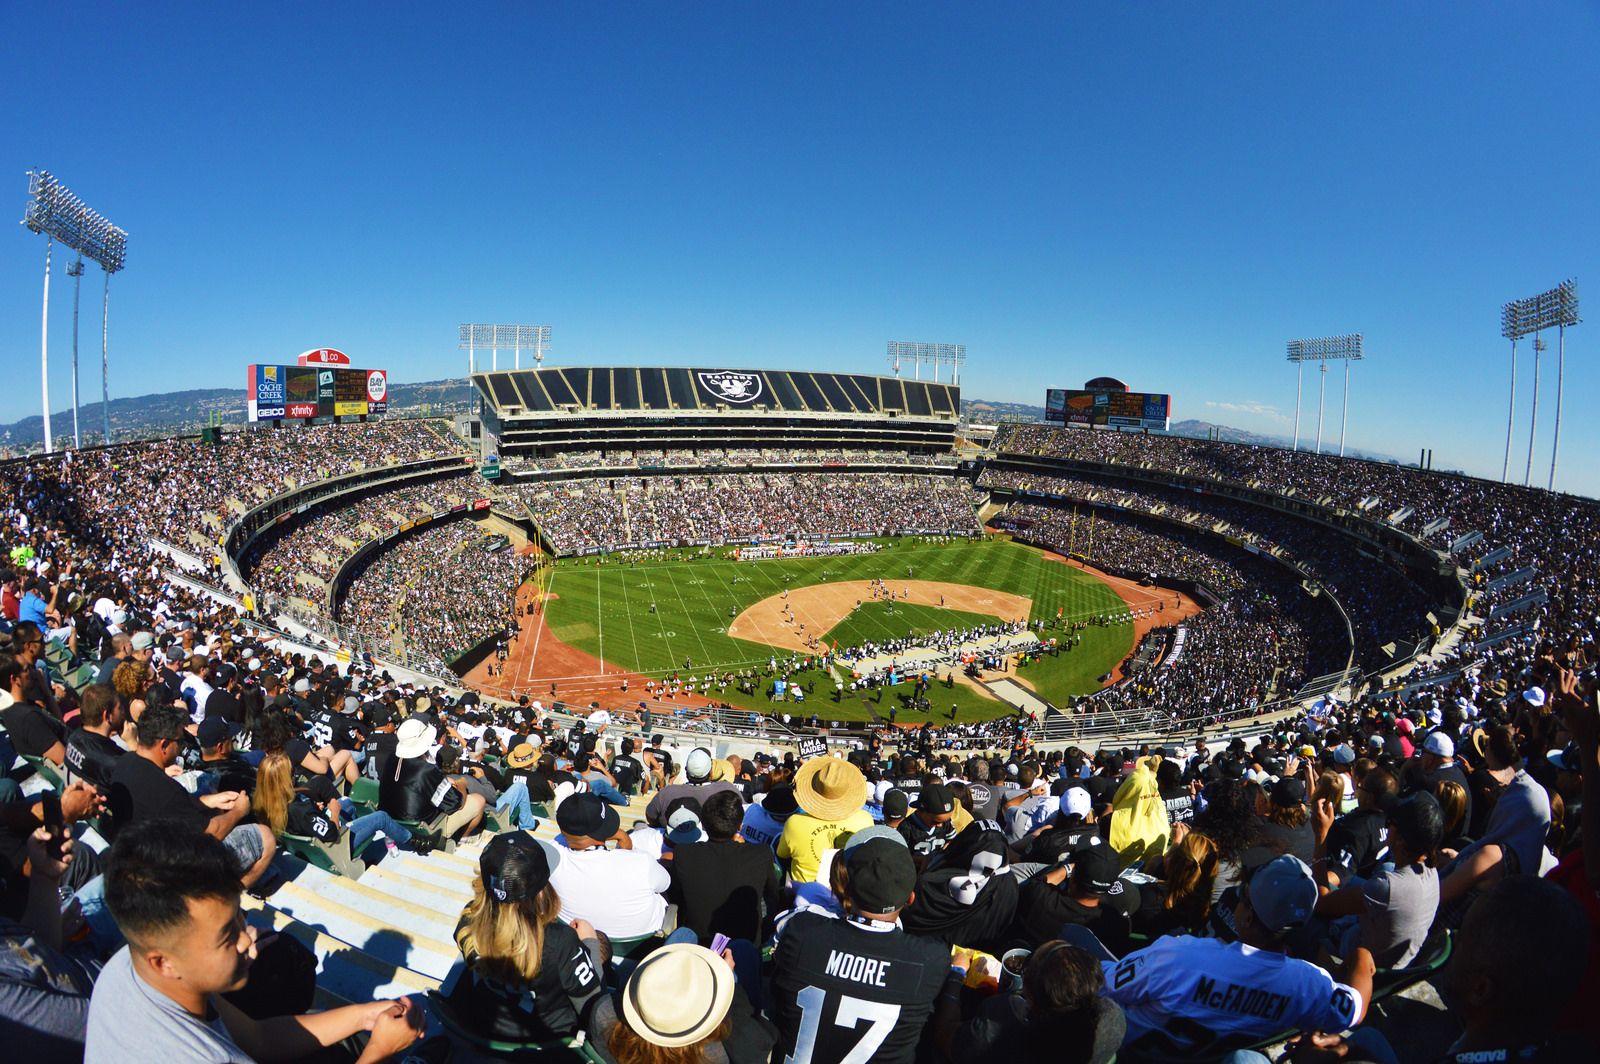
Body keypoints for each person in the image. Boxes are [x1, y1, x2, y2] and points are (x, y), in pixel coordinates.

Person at [85, 820, 425, 1063]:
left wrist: (363, 1015)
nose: (250, 939)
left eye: (239, 916)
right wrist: (379, 1053)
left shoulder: (132, 964)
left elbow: (258, 1039)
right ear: (163, 962)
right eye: (227, 936)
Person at [1099, 855, 1372, 1058]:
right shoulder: (1307, 984)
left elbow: (1105, 985)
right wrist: (1362, 956)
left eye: (1243, 894)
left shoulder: (1181, 955)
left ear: (1249, 915)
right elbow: (1354, 1012)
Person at [771, 834, 957, 1064]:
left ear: (844, 888)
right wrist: (957, 975)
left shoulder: (802, 932)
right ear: (910, 899)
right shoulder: (931, 959)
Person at [440, 831, 606, 1044]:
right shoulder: (560, 941)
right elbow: (593, 1007)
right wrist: (590, 943)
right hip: (547, 1042)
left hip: (487, 1027)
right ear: (540, 893)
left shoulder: (468, 920)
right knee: (603, 951)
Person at [107, 704, 276, 889]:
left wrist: (207, 801)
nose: (180, 748)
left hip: (140, 860)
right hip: (169, 876)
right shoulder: (166, 790)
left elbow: (161, 808)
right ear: (164, 745)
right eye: (178, 742)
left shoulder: (125, 763)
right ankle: (226, 897)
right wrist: (238, 811)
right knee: (265, 837)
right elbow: (210, 835)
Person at [588, 942, 777, 1064]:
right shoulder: (718, 1053)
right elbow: (758, 1045)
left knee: (685, 933)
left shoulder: (603, 1016)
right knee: (743, 948)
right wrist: (729, 981)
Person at [1314, 791, 1442, 969]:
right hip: (1393, 952)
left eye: (1390, 823)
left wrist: (1321, 836)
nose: (1386, 825)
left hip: (1356, 961)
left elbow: (1321, 903)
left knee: (1304, 925)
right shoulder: (1432, 872)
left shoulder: (1387, 887)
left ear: (1401, 840)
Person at [949, 941, 1124, 1062]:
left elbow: (946, 1039)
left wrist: (956, 974)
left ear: (1030, 994)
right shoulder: (1112, 1021)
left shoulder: (999, 1024)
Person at [252, 752, 418, 861]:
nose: (295, 773)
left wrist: (314, 811)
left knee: (347, 803)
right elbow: (332, 834)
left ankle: (360, 838)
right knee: (381, 817)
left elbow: (306, 822)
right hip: (336, 848)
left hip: (312, 840)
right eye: (292, 772)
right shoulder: (299, 811)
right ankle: (413, 841)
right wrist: (334, 810)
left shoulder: (263, 803)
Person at [667, 790, 782, 946]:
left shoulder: (683, 853)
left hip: (697, 947)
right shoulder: (761, 854)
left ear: (704, 824)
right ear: (740, 825)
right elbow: (772, 899)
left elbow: (676, 898)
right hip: (744, 948)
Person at [550, 792, 671, 940]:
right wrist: (625, 839)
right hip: (645, 945)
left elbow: (562, 840)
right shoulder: (642, 863)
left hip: (577, 941)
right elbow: (665, 884)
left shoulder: (550, 859)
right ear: (603, 832)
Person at [1013, 836, 1138, 955]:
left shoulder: (1040, 897)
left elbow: (1037, 882)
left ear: (1073, 877)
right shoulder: (1117, 925)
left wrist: (1066, 869)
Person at [377, 718, 485, 841]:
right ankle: (463, 839)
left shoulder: (391, 758)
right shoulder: (427, 770)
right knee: (479, 799)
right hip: (422, 830)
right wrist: (462, 785)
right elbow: (456, 804)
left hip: (391, 822)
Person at [777, 757, 872, 886]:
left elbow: (782, 854)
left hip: (804, 895)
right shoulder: (865, 820)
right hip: (848, 894)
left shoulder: (794, 823)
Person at [644, 748, 740, 827]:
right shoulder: (727, 789)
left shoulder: (667, 792)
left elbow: (651, 817)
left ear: (686, 770)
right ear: (711, 773)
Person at [65, 682, 128, 792]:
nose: (123, 711)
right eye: (119, 708)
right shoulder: (112, 762)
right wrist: (132, 744)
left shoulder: (73, 738)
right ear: (107, 715)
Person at [897, 783, 958, 866]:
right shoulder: (906, 828)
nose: (940, 825)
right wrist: (923, 860)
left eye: (945, 821)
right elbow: (899, 856)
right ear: (921, 811)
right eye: (935, 822)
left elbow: (953, 841)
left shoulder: (946, 824)